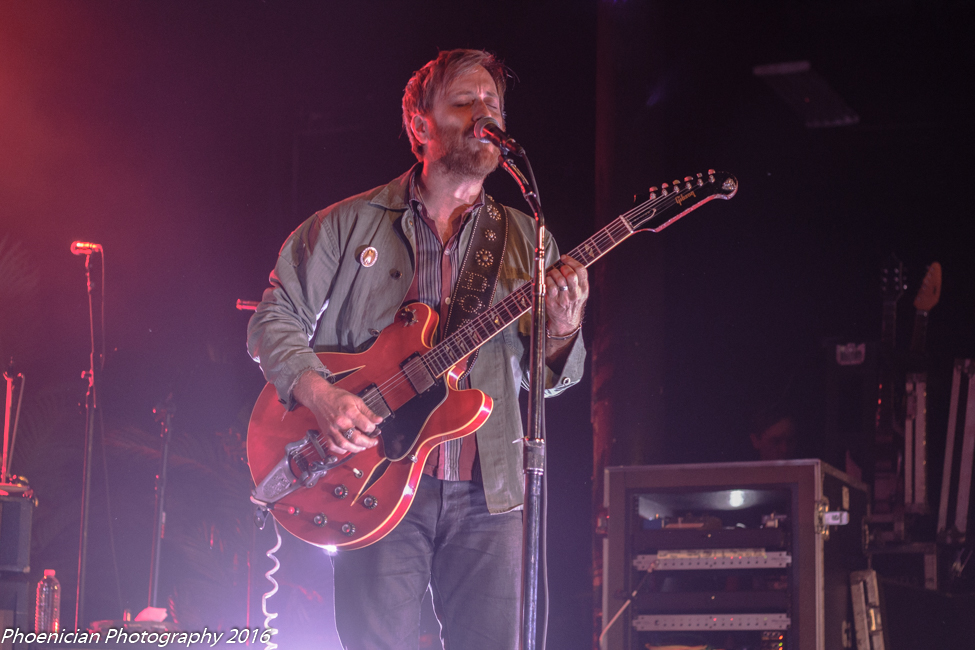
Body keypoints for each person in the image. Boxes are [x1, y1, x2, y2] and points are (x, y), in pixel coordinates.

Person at [246, 49, 587, 650]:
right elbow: (273, 317)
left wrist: (562, 329)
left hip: (491, 487)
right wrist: (320, 393)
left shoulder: (526, 239)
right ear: (419, 125)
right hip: (372, 476)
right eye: (465, 103)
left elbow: (551, 381)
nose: (485, 115)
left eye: (494, 105)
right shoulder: (346, 224)